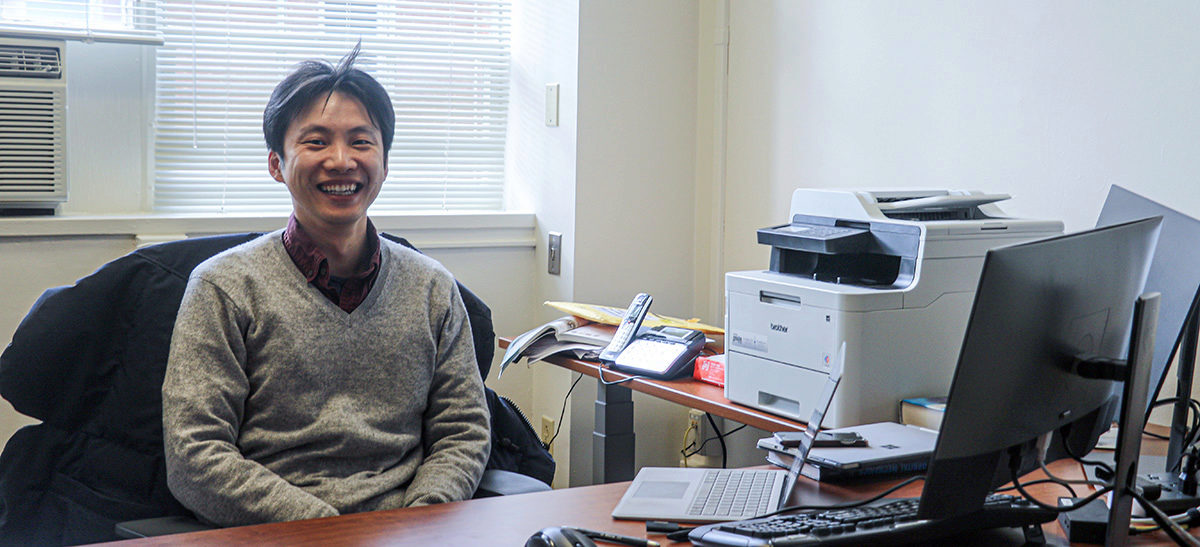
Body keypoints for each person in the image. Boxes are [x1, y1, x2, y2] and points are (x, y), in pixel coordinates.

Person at [161, 46, 490, 527]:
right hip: (278, 530)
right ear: (277, 164)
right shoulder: (223, 288)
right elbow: (194, 456)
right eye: (316, 142)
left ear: (384, 160)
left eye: (361, 141)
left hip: (407, 531)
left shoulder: (432, 288)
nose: (342, 161)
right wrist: (328, 531)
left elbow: (463, 434)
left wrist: (419, 523)